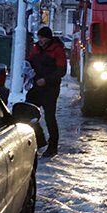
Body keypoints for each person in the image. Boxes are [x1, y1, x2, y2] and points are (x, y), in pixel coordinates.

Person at [26, 26, 66, 157]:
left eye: (42, 37)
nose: (40, 40)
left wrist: (46, 80)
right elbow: (30, 62)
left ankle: (53, 146)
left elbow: (61, 71)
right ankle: (40, 138)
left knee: (50, 116)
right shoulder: (36, 49)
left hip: (50, 88)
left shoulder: (57, 50)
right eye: (39, 37)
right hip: (37, 87)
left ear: (48, 38)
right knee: (28, 111)